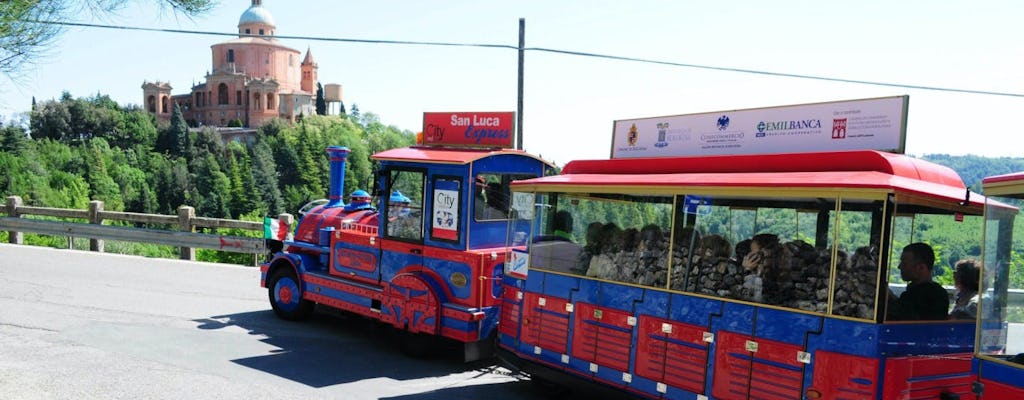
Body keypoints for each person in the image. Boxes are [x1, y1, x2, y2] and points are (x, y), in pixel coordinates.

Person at [886, 242, 950, 321]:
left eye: (904, 263)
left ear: (921, 267)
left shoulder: (927, 296)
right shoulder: (939, 293)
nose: (899, 267)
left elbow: (907, 319)